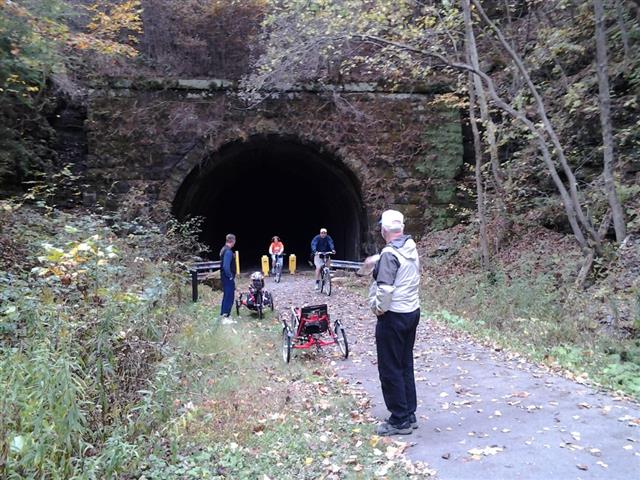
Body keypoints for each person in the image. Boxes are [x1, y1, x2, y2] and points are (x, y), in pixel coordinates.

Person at [368, 210, 421, 436]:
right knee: (404, 363)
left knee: (390, 367)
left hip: (394, 315)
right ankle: (409, 412)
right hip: (411, 312)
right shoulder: (410, 247)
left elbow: (386, 288)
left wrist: (379, 310)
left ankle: (399, 419)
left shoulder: (389, 254)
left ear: (384, 230)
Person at [219, 233, 237, 318]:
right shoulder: (228, 252)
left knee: (227, 294)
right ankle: (226, 314)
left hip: (224, 276)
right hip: (227, 276)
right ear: (232, 241)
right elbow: (226, 266)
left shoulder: (224, 249)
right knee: (229, 295)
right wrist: (230, 276)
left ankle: (224, 312)